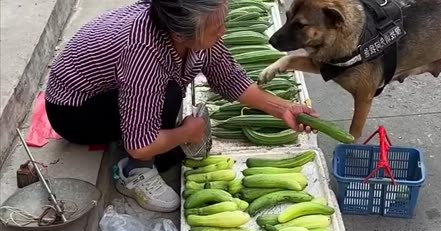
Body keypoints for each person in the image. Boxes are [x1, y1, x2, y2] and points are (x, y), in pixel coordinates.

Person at [45, 0, 319, 213]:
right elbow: (139, 143)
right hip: (74, 111)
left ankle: (160, 140)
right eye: (217, 28)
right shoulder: (144, 54)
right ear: (180, 33)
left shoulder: (190, 26)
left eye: (223, 21)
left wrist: (283, 108)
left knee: (167, 98)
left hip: (110, 88)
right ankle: (133, 173)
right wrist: (187, 133)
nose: (223, 31)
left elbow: (228, 77)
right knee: (168, 96)